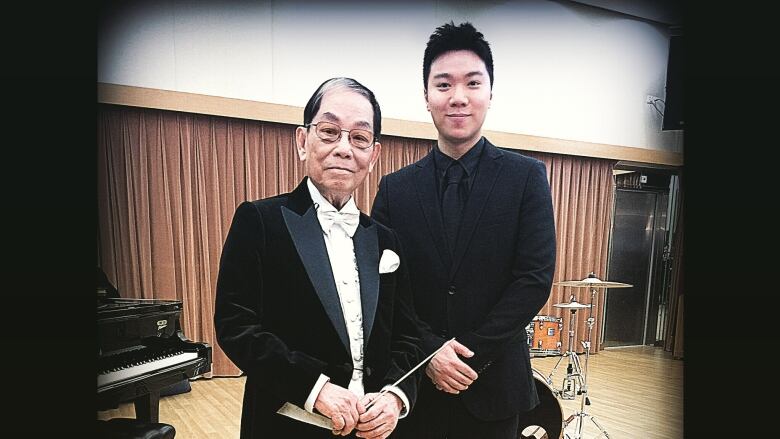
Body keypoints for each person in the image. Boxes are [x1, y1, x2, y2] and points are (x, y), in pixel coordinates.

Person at [371, 22, 557, 438]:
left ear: (490, 93)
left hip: (493, 388)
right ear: (426, 97)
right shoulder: (395, 189)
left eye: (473, 83)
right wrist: (429, 351)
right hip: (412, 385)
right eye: (443, 85)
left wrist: (468, 355)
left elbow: (533, 280)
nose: (458, 97)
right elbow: (385, 288)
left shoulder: (526, 178)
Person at [215, 77, 423, 439]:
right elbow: (237, 326)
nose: (344, 148)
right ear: (302, 141)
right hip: (286, 425)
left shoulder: (385, 240)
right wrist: (316, 389)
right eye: (329, 131)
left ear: (373, 155)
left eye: (359, 138)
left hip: (374, 431)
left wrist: (395, 396)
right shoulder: (260, 220)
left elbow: (407, 335)